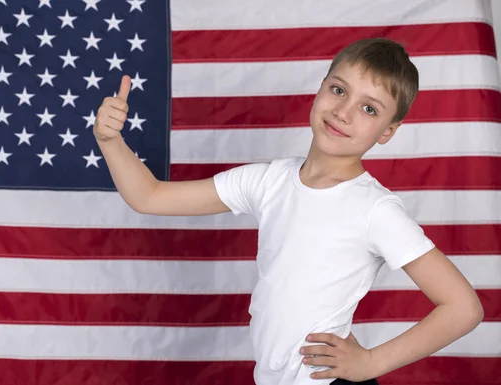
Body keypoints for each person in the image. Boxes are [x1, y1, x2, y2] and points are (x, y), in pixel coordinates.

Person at [93, 38, 484, 385]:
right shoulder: (269, 181)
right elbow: (151, 196)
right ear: (320, 88)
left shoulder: (374, 209)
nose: (344, 112)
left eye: (368, 108)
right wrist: (110, 141)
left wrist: (370, 362)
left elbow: (463, 308)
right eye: (338, 90)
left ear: (388, 131)